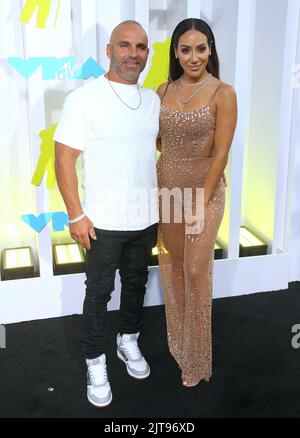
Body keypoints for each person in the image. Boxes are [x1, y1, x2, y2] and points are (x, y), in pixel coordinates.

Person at [54, 21, 160, 407]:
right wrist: (75, 215)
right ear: (109, 50)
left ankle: (127, 341)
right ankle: (94, 360)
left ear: (147, 54)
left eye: (141, 47)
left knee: (136, 286)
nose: (133, 54)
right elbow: (63, 158)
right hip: (101, 223)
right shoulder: (85, 98)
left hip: (145, 218)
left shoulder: (152, 100)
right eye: (125, 46)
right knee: (98, 294)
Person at [156, 18, 237, 387]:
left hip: (204, 192)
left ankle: (197, 360)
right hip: (167, 191)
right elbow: (158, 141)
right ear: (175, 51)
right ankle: (180, 345)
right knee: (173, 269)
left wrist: (200, 204)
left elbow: (221, 153)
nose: (194, 57)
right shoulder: (162, 90)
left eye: (201, 48)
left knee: (195, 271)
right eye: (186, 49)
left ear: (210, 50)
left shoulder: (223, 92)